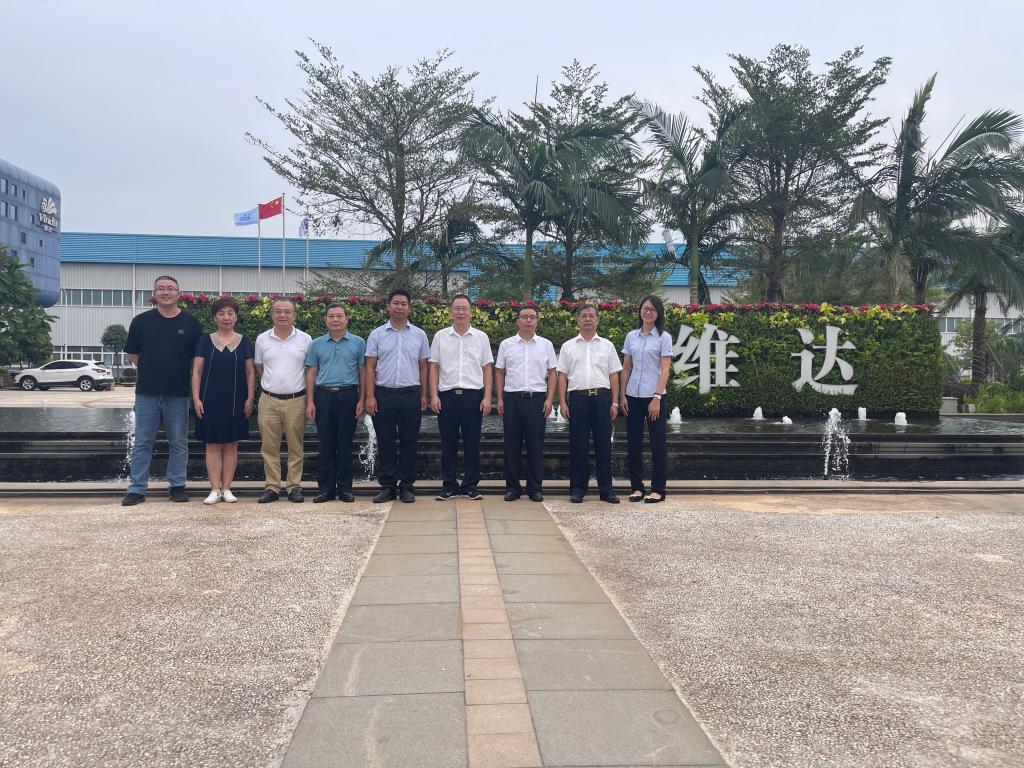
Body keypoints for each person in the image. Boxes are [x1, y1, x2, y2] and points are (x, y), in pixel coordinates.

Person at [122, 275, 203, 506]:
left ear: (178, 293)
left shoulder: (191, 324)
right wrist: (152, 368)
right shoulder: (141, 322)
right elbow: (133, 354)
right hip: (147, 392)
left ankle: (177, 485)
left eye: (170, 289)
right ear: (154, 294)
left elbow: (196, 359)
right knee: (142, 442)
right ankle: (137, 488)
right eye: (160, 289)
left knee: (178, 441)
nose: (165, 292)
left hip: (177, 393)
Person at [364, 288, 430, 504]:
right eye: (396, 303)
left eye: (403, 304)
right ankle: (388, 486)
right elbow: (370, 367)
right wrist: (370, 396)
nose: (399, 307)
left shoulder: (419, 335)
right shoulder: (377, 334)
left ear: (409, 307)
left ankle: (407, 486)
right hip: (383, 395)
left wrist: (424, 394)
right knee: (386, 441)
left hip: (411, 394)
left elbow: (423, 366)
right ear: (388, 306)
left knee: (410, 441)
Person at [191, 297, 255, 505]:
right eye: (221, 314)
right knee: (211, 445)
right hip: (209, 399)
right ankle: (214, 489)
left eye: (230, 313)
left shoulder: (244, 342)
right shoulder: (204, 340)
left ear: (236, 317)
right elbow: (197, 371)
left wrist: (250, 397)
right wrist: (196, 398)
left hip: (236, 400)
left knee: (231, 445)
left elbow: (250, 373)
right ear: (215, 317)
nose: (226, 317)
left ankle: (227, 488)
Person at [429, 294, 493, 500]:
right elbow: (434, 367)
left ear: (471, 312)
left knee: (472, 443)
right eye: (457, 308)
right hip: (447, 396)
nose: (461, 312)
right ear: (451, 312)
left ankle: (470, 485)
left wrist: (487, 397)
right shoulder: (440, 336)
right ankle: (449, 485)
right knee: (448, 443)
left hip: (473, 397)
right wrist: (433, 395)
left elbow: (487, 369)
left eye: (464, 308)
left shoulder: (481, 337)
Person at [557, 304, 622, 504]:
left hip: (602, 399)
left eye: (591, 316)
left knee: (604, 445)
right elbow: (562, 376)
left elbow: (614, 375)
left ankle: (606, 489)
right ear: (577, 320)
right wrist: (563, 402)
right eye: (584, 316)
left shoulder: (607, 345)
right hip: (578, 400)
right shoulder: (568, 346)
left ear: (597, 320)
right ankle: (578, 488)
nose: (587, 319)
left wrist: (615, 402)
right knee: (578, 446)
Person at [305, 303, 366, 503]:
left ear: (347, 319)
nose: (335, 319)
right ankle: (326, 489)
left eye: (340, 316)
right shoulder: (316, 344)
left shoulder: (358, 343)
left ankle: (346, 489)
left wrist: (362, 399)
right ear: (326, 320)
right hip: (323, 397)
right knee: (326, 444)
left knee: (345, 444)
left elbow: (363, 372)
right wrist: (310, 401)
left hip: (348, 396)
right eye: (331, 316)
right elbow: (311, 373)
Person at [495, 305, 557, 502]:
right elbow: (499, 371)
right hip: (512, 399)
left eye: (532, 317)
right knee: (511, 445)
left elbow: (553, 373)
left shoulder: (546, 345)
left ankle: (534, 488)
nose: (528, 320)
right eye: (524, 317)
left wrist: (549, 399)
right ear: (517, 321)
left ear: (537, 321)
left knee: (535, 445)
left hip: (537, 399)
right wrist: (500, 398)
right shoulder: (506, 344)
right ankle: (513, 488)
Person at [254, 298, 312, 504]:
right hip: (269, 400)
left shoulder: (306, 339)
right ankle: (272, 487)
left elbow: (310, 370)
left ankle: (294, 486)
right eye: (278, 311)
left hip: (297, 399)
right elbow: (259, 367)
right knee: (269, 447)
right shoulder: (262, 339)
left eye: (287, 311)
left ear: (294, 315)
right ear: (272, 314)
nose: (283, 315)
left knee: (296, 446)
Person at [620, 295, 673, 503]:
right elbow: (626, 367)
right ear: (640, 311)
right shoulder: (631, 336)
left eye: (652, 309)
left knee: (657, 443)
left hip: (654, 397)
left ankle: (658, 489)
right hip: (632, 396)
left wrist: (657, 397)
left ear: (658, 313)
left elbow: (665, 369)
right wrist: (622, 395)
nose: (648, 312)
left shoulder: (664, 337)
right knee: (633, 444)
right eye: (645, 308)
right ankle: (637, 487)